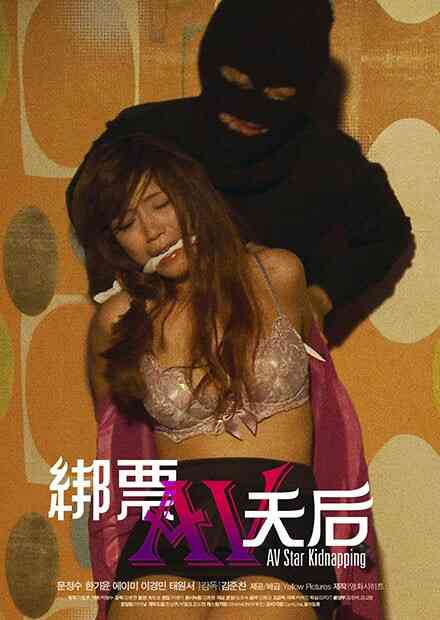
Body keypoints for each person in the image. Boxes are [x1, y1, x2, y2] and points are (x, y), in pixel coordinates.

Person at [71, 134, 382, 620]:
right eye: (126, 224)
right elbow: (117, 441)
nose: (151, 232)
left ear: (191, 195)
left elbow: (331, 417)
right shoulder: (119, 321)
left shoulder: (278, 274)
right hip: (176, 523)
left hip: (280, 520)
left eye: (160, 204)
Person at [67, 0, 412, 333]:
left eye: (278, 95)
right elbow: (87, 205)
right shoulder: (145, 135)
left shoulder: (328, 159)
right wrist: (133, 290)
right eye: (236, 83)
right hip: (162, 348)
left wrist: (319, 299)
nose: (250, 112)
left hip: (270, 351)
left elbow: (388, 234)